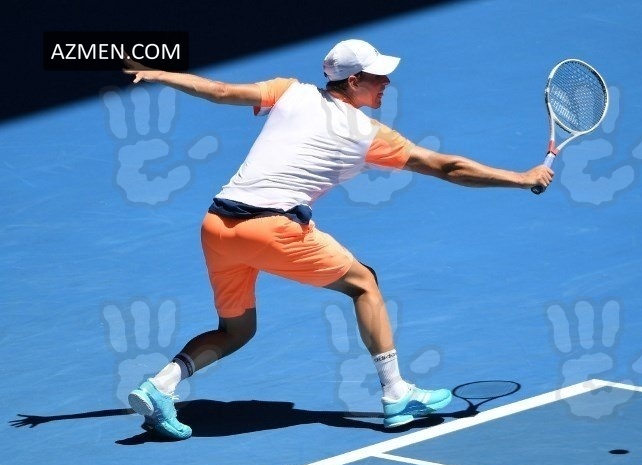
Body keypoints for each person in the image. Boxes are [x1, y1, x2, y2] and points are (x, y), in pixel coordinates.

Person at [124, 39, 553, 440]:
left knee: (235, 331)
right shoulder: (367, 134)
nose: (387, 82)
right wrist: (521, 178)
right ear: (353, 80)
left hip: (218, 226)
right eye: (378, 76)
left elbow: (220, 92)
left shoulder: (288, 91)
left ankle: (160, 387)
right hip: (273, 229)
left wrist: (160, 74)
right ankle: (396, 394)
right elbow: (448, 167)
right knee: (363, 283)